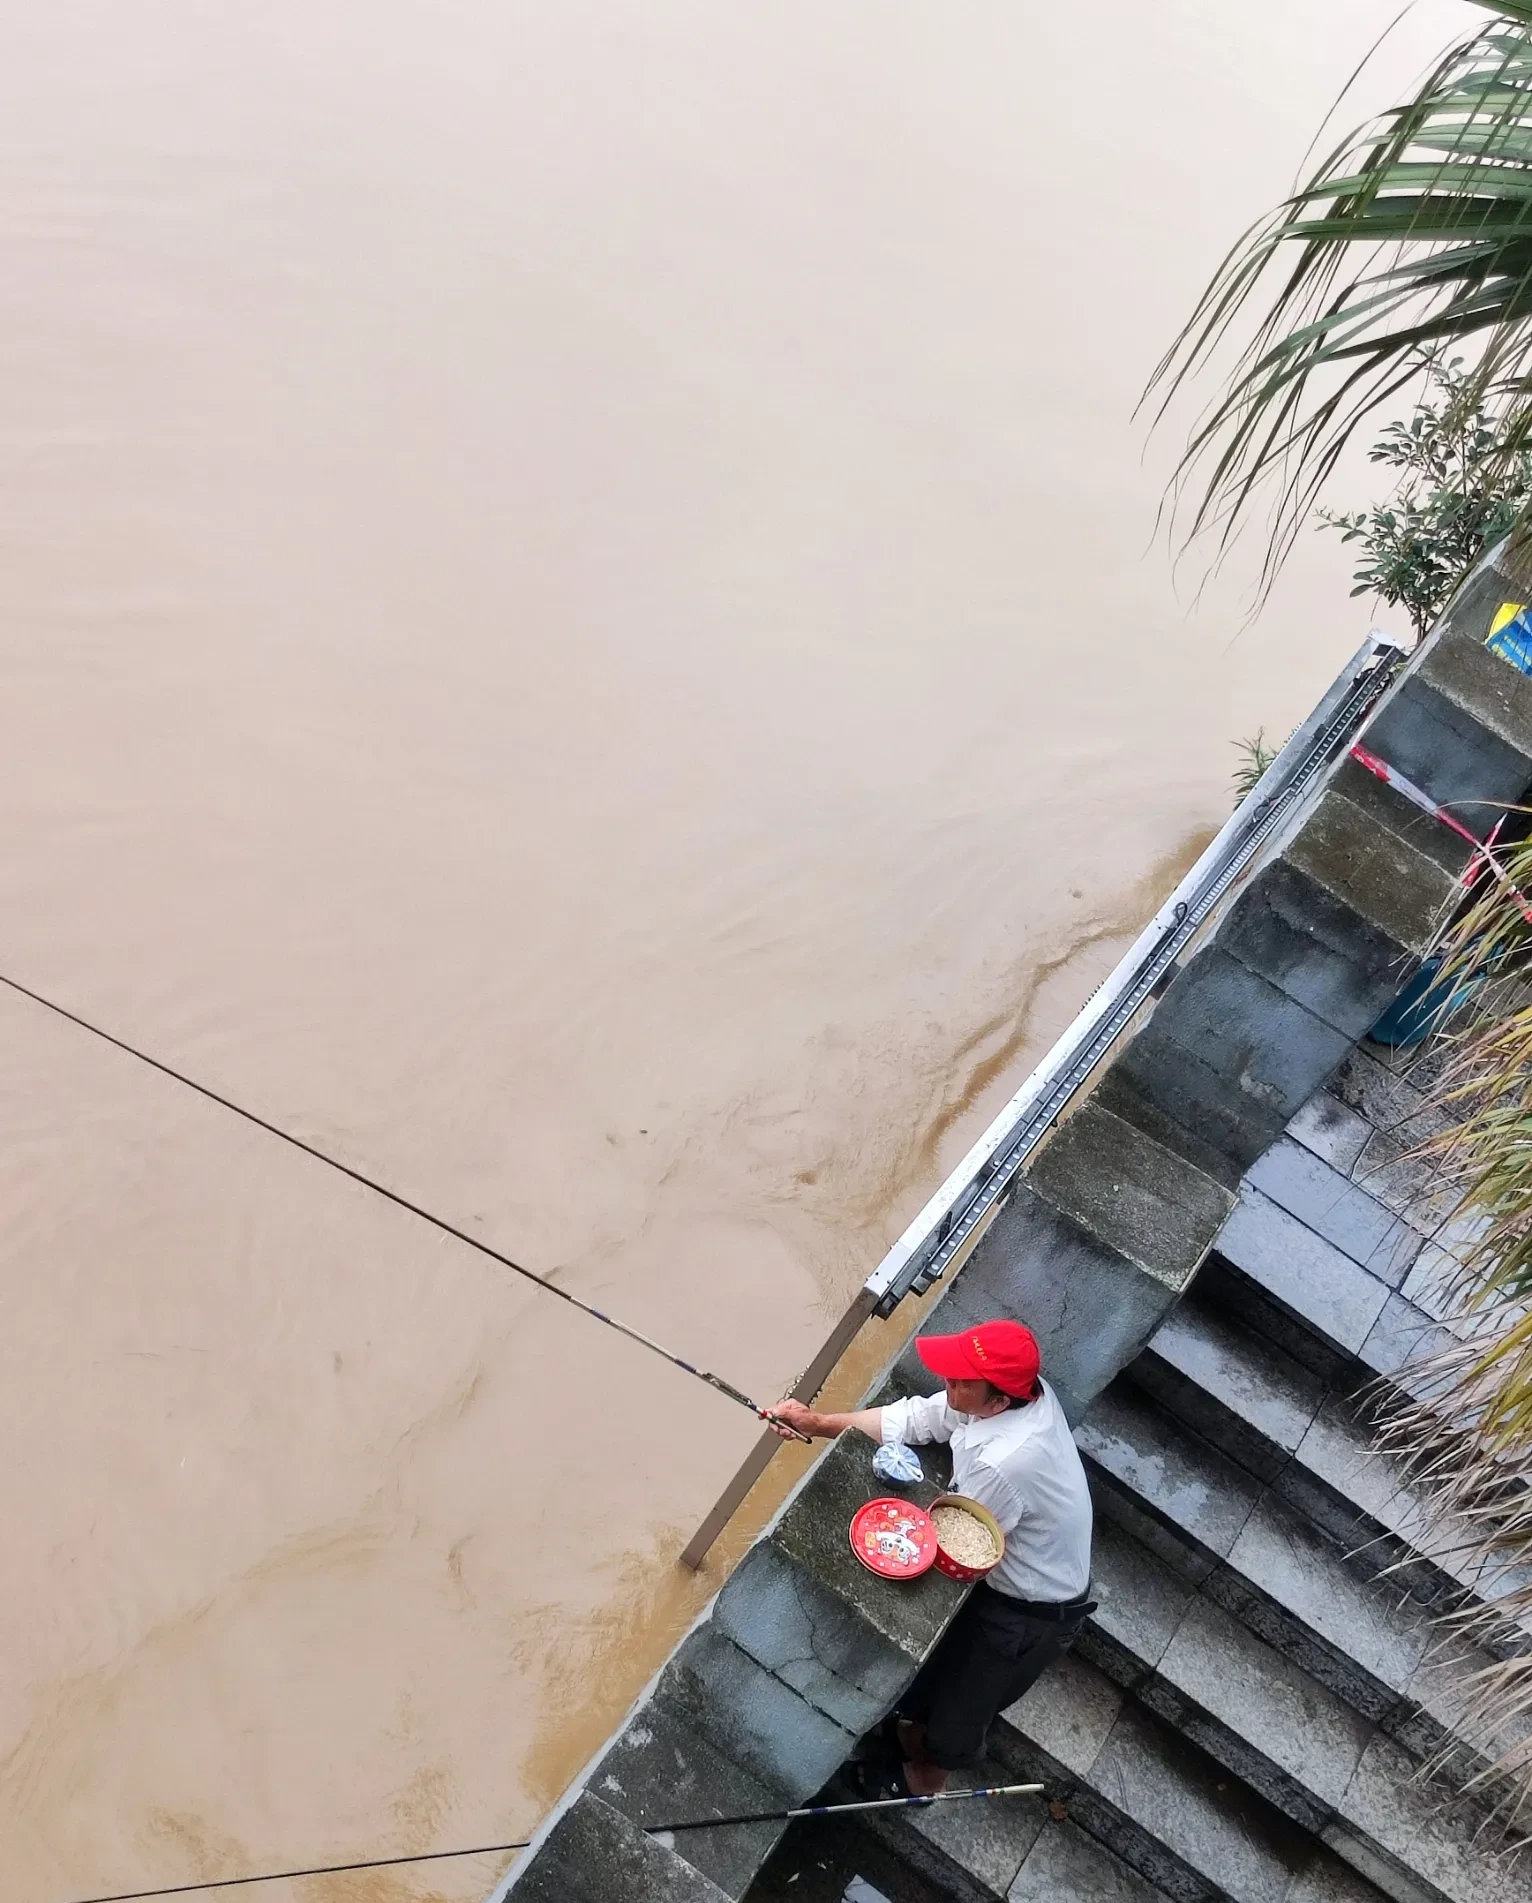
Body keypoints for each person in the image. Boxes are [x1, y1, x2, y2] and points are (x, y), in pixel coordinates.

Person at [767, 1316, 1093, 1797]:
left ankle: (924, 1778)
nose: (948, 1382)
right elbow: (919, 1419)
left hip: (1032, 1611)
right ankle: (913, 1736)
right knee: (943, 1676)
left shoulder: (1002, 1465)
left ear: (999, 1399)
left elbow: (961, 1542)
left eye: (961, 1379)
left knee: (964, 1708)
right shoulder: (1011, 1395)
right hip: (1007, 1584)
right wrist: (818, 1424)